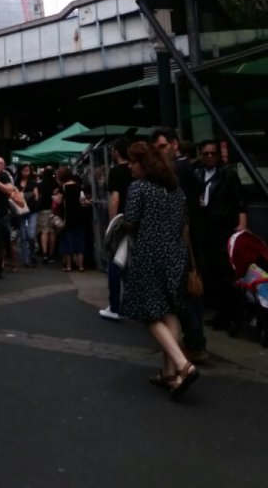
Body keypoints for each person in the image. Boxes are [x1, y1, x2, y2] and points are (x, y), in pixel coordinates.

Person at [119, 141, 199, 400]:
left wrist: (120, 225)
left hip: (149, 254)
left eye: (133, 162)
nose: (130, 167)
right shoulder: (176, 190)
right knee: (169, 311)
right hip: (175, 255)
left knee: (150, 314)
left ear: (144, 164)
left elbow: (131, 220)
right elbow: (184, 222)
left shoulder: (139, 187)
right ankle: (168, 373)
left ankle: (183, 366)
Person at [150, 126, 209, 361]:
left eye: (163, 146)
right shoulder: (183, 168)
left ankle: (194, 343)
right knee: (186, 294)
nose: (159, 151)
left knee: (184, 295)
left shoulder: (177, 170)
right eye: (156, 148)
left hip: (182, 242)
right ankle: (193, 342)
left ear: (175, 144)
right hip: (186, 240)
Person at [194, 138, 247, 331]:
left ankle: (232, 315)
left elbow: (240, 199)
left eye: (213, 153)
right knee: (212, 273)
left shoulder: (228, 174)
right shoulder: (197, 173)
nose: (209, 156)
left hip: (223, 227)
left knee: (225, 272)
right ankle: (221, 313)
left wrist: (242, 223)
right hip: (205, 227)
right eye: (205, 153)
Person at [100, 137, 132, 320]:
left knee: (115, 261)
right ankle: (130, 302)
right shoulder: (138, 170)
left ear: (116, 152)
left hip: (121, 221)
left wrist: (112, 222)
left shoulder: (116, 171)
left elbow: (115, 199)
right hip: (137, 220)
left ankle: (114, 305)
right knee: (130, 262)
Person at [0, 156, 15, 276]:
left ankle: (3, 263)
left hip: (2, 213)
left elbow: (9, 190)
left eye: (0, 163)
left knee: (4, 241)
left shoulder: (4, 175)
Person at [14, 163, 39, 268]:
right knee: (23, 236)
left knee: (31, 235)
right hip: (21, 211)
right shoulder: (16, 182)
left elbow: (36, 196)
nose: (25, 172)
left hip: (32, 210)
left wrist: (23, 195)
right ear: (20, 171)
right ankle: (26, 259)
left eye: (27, 170)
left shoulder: (33, 183)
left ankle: (31, 254)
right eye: (24, 170)